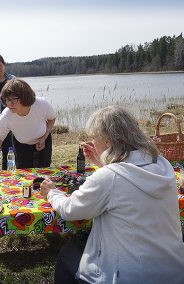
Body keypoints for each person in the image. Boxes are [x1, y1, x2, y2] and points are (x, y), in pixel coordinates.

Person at [40, 105, 184, 284]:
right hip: (173, 270)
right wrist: (102, 163)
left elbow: (71, 210)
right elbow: (127, 179)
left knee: (67, 254)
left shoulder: (109, 177)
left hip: (130, 276)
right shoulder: (162, 165)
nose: (93, 141)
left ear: (108, 141)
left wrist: (51, 192)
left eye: (95, 137)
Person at [0, 78, 56, 169]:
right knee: (24, 175)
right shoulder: (6, 115)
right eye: (7, 100)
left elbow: (52, 119)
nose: (10, 104)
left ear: (24, 97)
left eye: (13, 100)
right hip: (21, 147)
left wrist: (44, 136)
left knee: (44, 171)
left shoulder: (41, 104)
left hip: (43, 141)